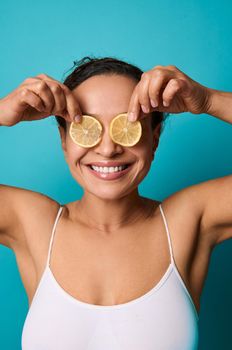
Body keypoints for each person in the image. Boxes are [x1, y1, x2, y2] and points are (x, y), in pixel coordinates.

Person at [0, 56, 231, 350]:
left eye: (127, 125)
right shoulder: (32, 223)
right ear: (64, 139)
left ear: (154, 138)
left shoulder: (189, 220)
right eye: (87, 127)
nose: (108, 149)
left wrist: (209, 100)